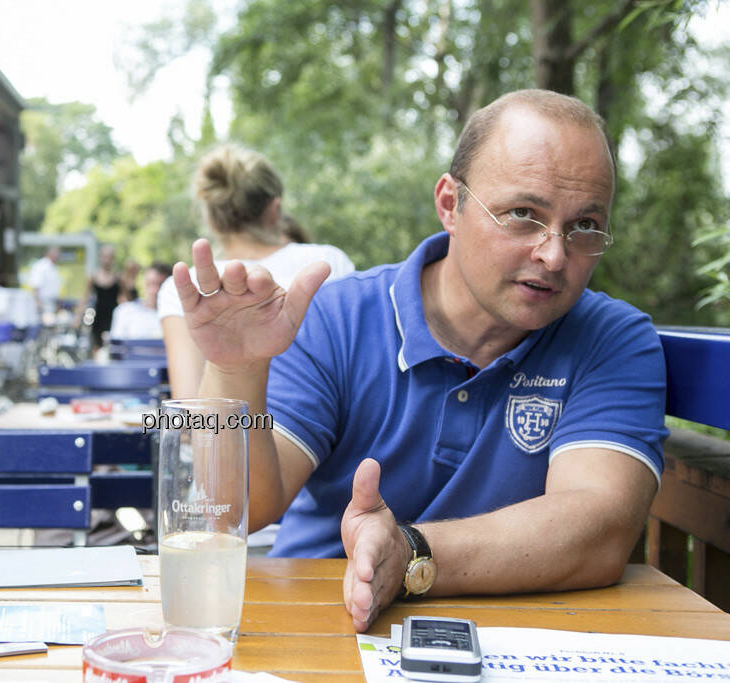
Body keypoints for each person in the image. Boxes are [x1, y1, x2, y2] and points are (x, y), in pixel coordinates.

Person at [169, 90, 667, 633]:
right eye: (523, 215)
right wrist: (237, 367)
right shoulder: (339, 316)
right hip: (321, 621)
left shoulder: (613, 338)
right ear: (450, 205)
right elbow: (236, 506)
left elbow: (599, 529)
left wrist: (410, 554)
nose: (553, 255)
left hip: (518, 639)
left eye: (585, 225)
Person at [157, 143, 355, 398]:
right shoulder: (327, 262)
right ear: (275, 209)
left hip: (226, 433)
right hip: (327, 435)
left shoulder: (184, 286)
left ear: (211, 219)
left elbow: (187, 408)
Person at [110, 262, 171, 340]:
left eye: (160, 285)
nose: (154, 290)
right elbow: (117, 346)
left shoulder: (175, 316)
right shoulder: (124, 311)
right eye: (150, 284)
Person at [78, 243, 121, 355]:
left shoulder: (118, 278)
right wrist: (78, 317)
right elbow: (85, 297)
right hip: (99, 316)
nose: (107, 260)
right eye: (105, 257)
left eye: (109, 257)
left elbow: (124, 299)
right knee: (97, 346)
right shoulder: (93, 277)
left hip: (113, 315)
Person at [29, 246, 62, 319]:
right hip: (43, 303)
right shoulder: (41, 266)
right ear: (50, 254)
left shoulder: (52, 267)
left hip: (51, 303)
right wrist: (38, 303)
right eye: (57, 254)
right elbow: (35, 286)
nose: (59, 256)